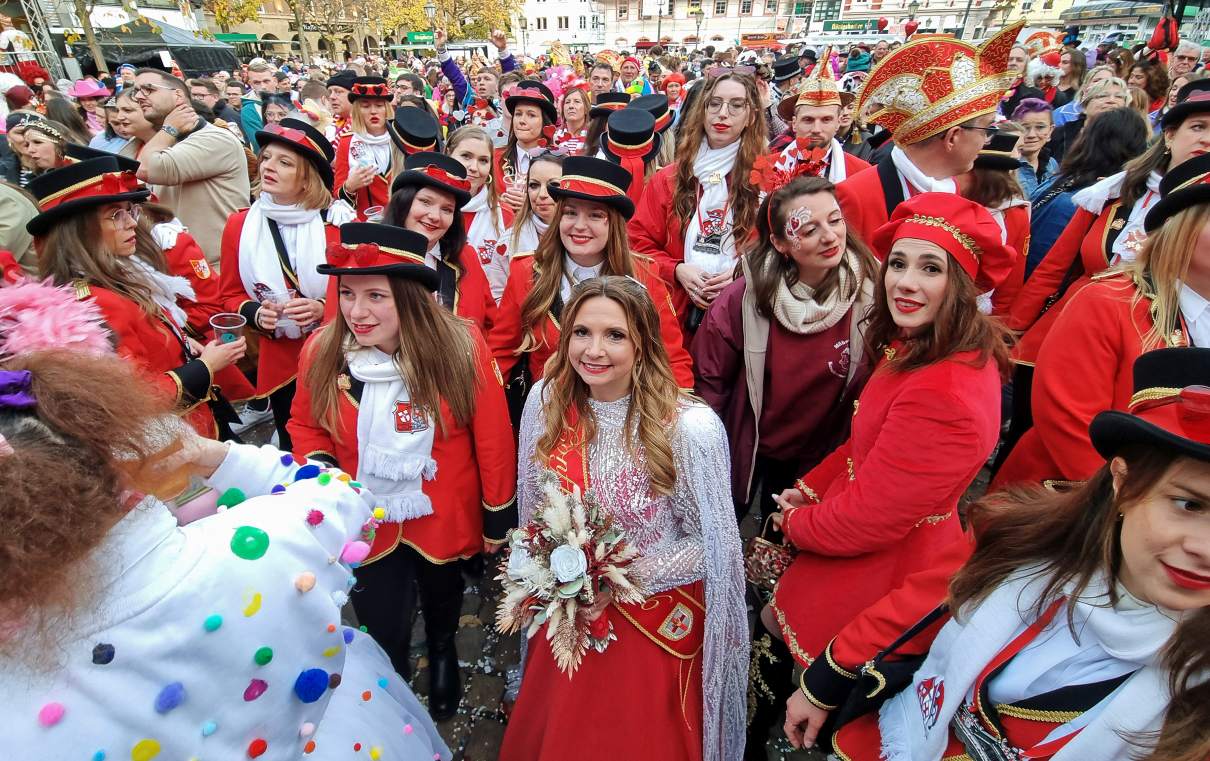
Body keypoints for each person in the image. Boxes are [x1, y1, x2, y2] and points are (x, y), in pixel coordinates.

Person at [0, 335, 450, 761]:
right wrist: (217, 456)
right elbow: (343, 496)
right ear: (112, 463)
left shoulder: (16, 703)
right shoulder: (257, 547)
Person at [798, 346, 1210, 761]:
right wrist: (826, 681)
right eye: (1189, 504)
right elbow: (922, 605)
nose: (1205, 549)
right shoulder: (1024, 534)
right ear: (1122, 481)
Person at [747, 193, 1010, 756]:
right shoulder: (922, 349)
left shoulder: (945, 392)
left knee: (817, 701)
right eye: (898, 263)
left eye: (930, 268)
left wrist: (796, 523)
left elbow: (868, 520)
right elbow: (863, 445)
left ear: (962, 286)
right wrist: (808, 489)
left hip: (878, 570)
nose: (905, 283)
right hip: (858, 538)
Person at [498, 275, 747, 761]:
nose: (594, 350)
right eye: (581, 332)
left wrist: (619, 579)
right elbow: (532, 511)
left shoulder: (689, 429)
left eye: (615, 335)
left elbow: (714, 546)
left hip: (650, 618)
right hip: (569, 612)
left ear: (643, 343)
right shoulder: (546, 403)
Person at [288, 222, 515, 722]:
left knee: (442, 594)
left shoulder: (460, 346)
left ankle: (442, 652)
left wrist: (497, 517)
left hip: (443, 510)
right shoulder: (323, 351)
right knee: (378, 617)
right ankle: (388, 680)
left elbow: (493, 436)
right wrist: (324, 473)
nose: (357, 312)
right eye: (347, 294)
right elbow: (305, 424)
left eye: (375, 296)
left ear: (411, 299)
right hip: (366, 514)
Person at [995, 152, 1210, 487]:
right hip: (1080, 499)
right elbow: (1070, 424)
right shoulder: (1108, 301)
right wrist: (1135, 504)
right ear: (1182, 228)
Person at [692, 175, 877, 524]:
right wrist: (706, 453)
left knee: (786, 534)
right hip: (746, 444)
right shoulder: (743, 300)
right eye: (809, 229)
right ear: (779, 243)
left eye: (835, 220)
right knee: (724, 524)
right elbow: (710, 381)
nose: (830, 236)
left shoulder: (871, 298)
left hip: (820, 454)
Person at [28, 156, 243, 437]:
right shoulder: (94, 302)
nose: (132, 223)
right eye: (116, 215)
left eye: (130, 211)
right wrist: (207, 366)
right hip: (175, 439)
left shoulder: (115, 275)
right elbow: (136, 396)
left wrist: (181, 343)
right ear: (80, 231)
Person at [219, 118, 350, 450]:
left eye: (284, 162)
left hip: (335, 354)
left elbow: (361, 291)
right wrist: (255, 313)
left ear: (307, 178)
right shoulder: (239, 225)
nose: (268, 166)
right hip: (280, 360)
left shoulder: (336, 224)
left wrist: (321, 307)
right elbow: (230, 294)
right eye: (266, 157)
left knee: (342, 437)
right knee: (294, 440)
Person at [836, 22, 1025, 244]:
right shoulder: (858, 195)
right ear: (953, 137)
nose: (986, 141)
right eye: (986, 129)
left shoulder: (967, 189)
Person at [629, 71, 767, 338]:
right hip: (675, 317)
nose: (722, 114)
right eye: (714, 103)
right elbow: (636, 243)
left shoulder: (767, 179)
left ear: (751, 117)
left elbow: (780, 248)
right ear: (702, 111)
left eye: (736, 105)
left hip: (742, 318)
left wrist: (743, 271)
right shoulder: (668, 179)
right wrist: (676, 269)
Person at [129, 68, 252, 267]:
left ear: (178, 95)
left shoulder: (214, 139)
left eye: (149, 89)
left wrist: (168, 129)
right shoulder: (166, 140)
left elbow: (144, 169)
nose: (139, 97)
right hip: (178, 266)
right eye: (136, 91)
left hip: (217, 269)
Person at [383, 150, 496, 333]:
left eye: (447, 209)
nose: (435, 216)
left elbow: (490, 326)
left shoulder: (466, 258)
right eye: (425, 202)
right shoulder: (373, 255)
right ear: (404, 202)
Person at [771, 52, 871, 184]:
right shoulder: (769, 167)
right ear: (794, 123)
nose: (816, 129)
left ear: (838, 122)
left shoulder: (860, 173)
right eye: (808, 120)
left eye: (826, 120)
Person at [446, 124, 512, 302]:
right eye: (466, 156)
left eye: (483, 160)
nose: (474, 167)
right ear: (448, 154)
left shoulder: (505, 216)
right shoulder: (428, 211)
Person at [333, 76, 395, 221]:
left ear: (387, 109)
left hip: (401, 222)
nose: (373, 111)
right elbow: (337, 194)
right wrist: (349, 186)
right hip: (367, 224)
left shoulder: (401, 139)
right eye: (365, 106)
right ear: (357, 111)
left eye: (379, 105)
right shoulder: (347, 142)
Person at [494, 79, 557, 213]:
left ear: (545, 122)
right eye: (518, 114)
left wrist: (531, 207)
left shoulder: (558, 163)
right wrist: (499, 204)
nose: (522, 121)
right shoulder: (494, 157)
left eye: (531, 115)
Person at [1046, 76, 1129, 162]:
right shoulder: (1061, 133)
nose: (1111, 100)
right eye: (1103, 95)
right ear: (1085, 105)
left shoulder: (1130, 136)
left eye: (1119, 97)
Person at [506, 149, 563, 255]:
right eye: (534, 185)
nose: (542, 194)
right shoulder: (509, 239)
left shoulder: (583, 236)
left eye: (554, 185)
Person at [1012, 98, 1059, 198]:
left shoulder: (1052, 164)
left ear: (1050, 131)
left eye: (1040, 127)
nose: (1031, 135)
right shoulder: (1007, 168)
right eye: (1025, 127)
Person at [241, 60, 276, 149]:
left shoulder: (286, 101)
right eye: (257, 82)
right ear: (250, 83)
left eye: (266, 81)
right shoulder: (249, 110)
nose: (263, 86)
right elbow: (260, 143)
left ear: (274, 80)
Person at [554, 85, 590, 155]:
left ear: (586, 108)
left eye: (577, 102)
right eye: (567, 102)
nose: (571, 106)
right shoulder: (554, 135)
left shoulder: (594, 135)